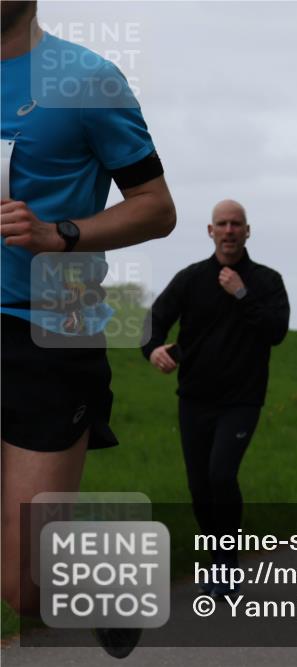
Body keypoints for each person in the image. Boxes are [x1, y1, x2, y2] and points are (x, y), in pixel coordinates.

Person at [1, 1, 176, 657]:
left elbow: (156, 209)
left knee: (23, 585)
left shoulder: (86, 79)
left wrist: (59, 234)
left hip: (49, 329)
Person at [141, 199, 289, 596]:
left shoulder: (266, 281)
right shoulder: (191, 279)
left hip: (242, 399)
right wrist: (152, 349)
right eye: (221, 224)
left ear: (247, 231)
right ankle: (217, 555)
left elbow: (276, 331)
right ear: (210, 231)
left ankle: (226, 565)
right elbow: (152, 321)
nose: (228, 230)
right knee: (199, 485)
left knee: (221, 475)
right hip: (194, 397)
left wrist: (242, 295)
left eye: (235, 224)